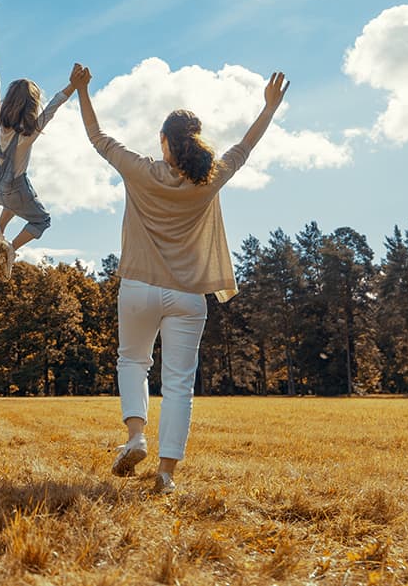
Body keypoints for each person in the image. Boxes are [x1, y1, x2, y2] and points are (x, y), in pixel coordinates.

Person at [72, 63, 289, 494]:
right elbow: (244, 148)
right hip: (188, 297)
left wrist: (82, 90)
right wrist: (269, 108)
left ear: (165, 142)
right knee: (178, 386)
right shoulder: (209, 180)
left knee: (132, 362)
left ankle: (135, 437)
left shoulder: (142, 171)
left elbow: (98, 139)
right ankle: (166, 473)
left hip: (138, 287)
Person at [0, 49, 76, 277]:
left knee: (17, 196)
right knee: (42, 220)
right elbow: (53, 106)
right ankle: (11, 248)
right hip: (13, 188)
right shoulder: (27, 135)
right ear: (31, 107)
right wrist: (72, 85)